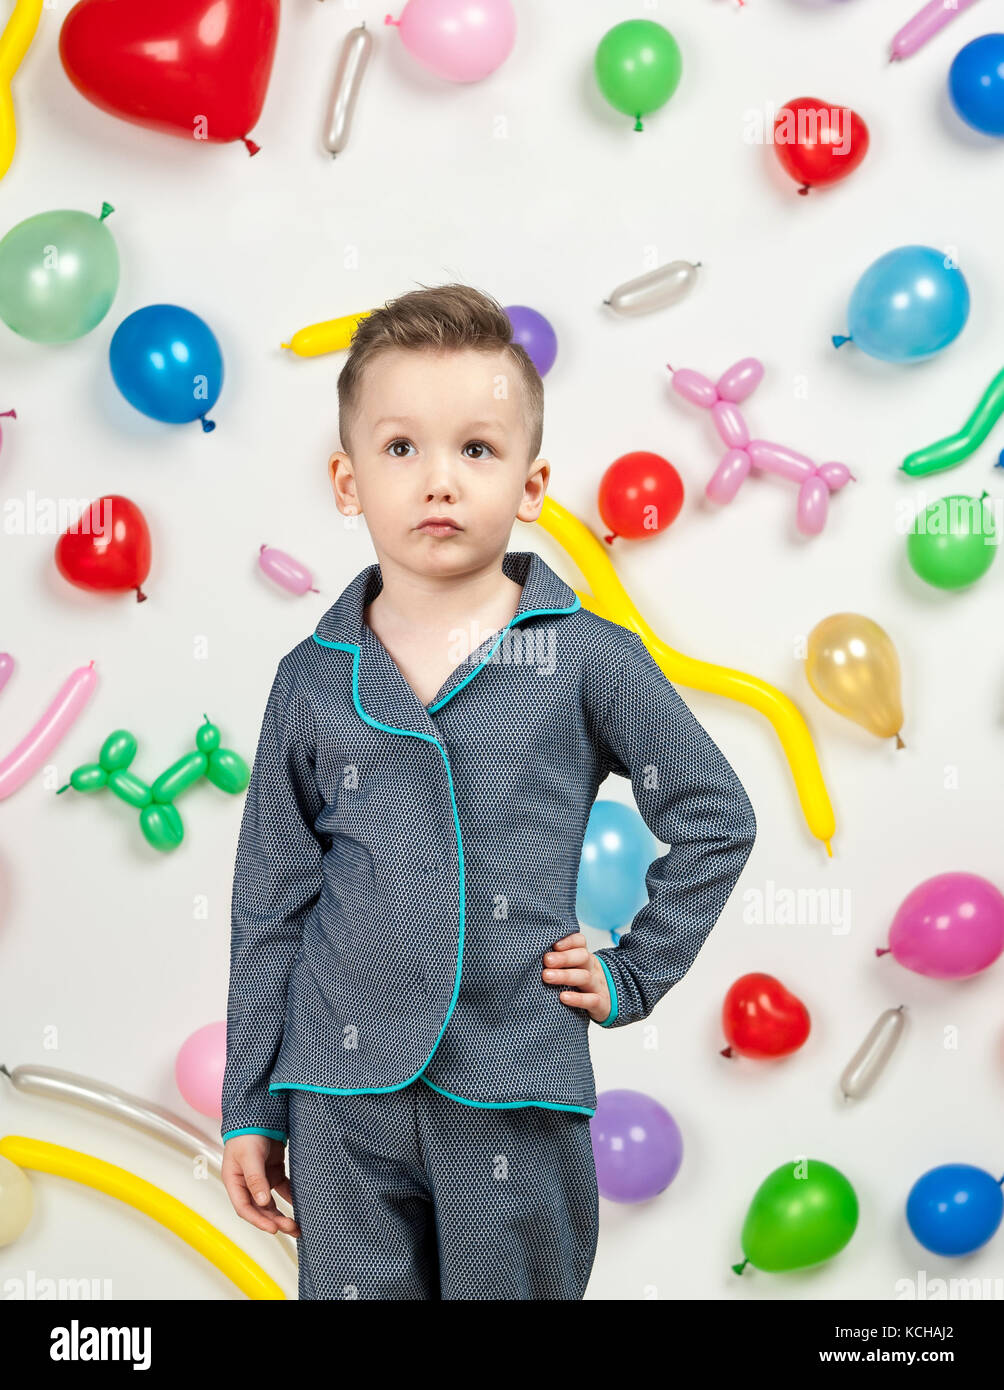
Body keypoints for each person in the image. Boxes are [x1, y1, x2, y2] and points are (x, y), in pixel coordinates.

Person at [219, 282, 757, 1300]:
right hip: (339, 1098)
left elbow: (714, 818)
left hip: (510, 1081)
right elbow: (270, 900)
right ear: (346, 481)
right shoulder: (309, 675)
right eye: (399, 449)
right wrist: (250, 1104)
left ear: (530, 484)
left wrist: (633, 970)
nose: (437, 481)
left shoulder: (589, 657)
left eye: (475, 449)